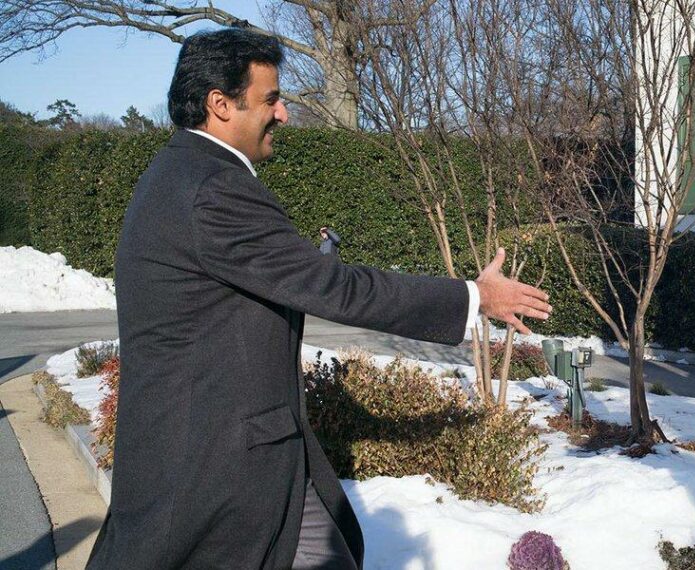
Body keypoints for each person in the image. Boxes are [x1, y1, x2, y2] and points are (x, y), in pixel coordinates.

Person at [88, 29, 552, 570]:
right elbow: (335, 289)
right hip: (216, 468)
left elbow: (257, 289)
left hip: (244, 453)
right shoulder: (213, 188)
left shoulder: (180, 173)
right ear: (220, 104)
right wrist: (475, 298)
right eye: (270, 99)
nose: (283, 114)